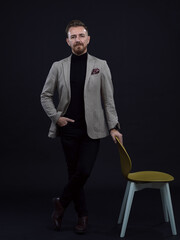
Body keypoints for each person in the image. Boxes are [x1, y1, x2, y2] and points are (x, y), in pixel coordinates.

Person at [40, 19, 123, 234]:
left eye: (81, 35)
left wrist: (113, 126)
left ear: (88, 39)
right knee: (73, 173)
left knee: (83, 171)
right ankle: (82, 216)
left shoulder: (100, 65)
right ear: (68, 41)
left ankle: (60, 203)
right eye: (73, 36)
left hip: (92, 129)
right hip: (68, 128)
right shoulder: (58, 66)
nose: (78, 39)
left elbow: (108, 100)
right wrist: (56, 117)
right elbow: (45, 96)